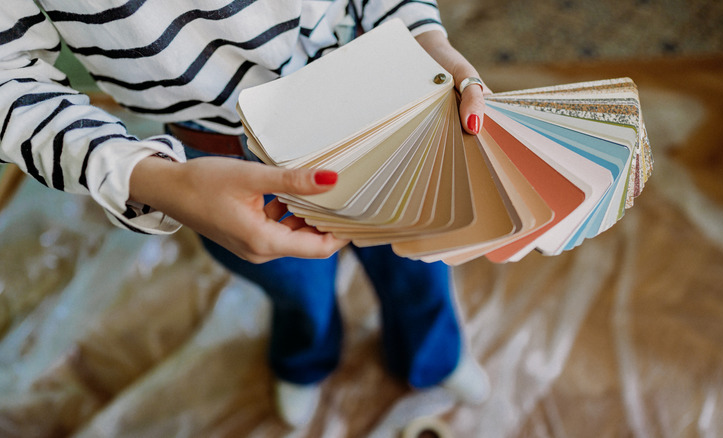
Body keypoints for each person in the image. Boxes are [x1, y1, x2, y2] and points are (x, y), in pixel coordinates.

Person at [1, 1, 489, 427]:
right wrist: (148, 178)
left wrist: (423, 38)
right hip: (218, 150)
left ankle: (434, 356)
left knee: (417, 260)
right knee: (294, 286)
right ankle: (307, 358)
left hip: (374, 98)